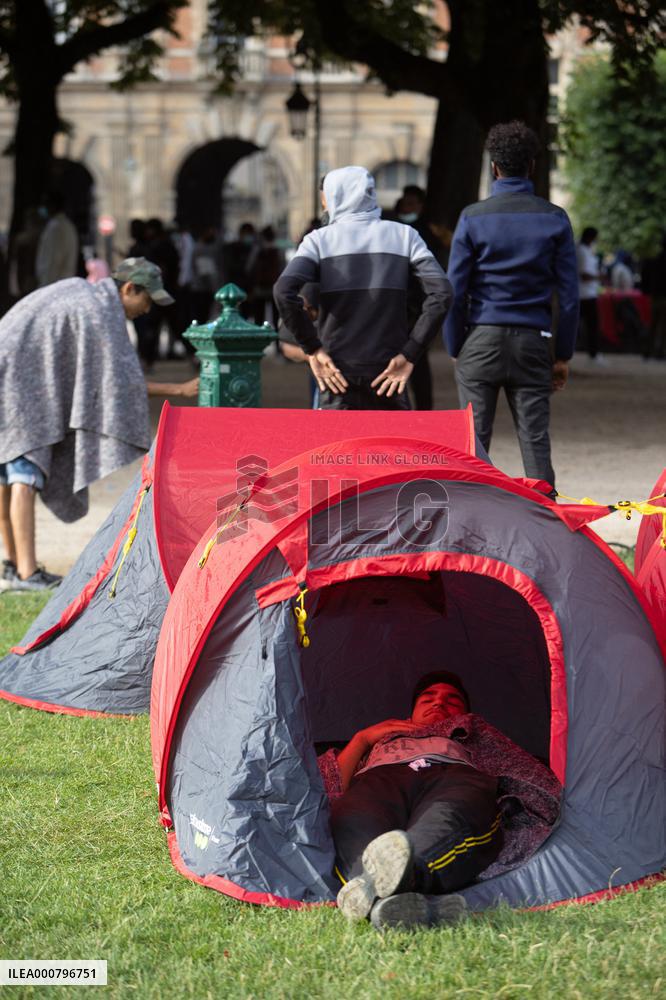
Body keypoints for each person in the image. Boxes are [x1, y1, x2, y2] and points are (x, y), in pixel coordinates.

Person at [0, 258, 198, 592]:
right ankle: (27, 573)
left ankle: (13, 564)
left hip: (11, 374)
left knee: (8, 472)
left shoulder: (82, 291)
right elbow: (117, 382)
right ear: (129, 288)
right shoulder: (100, 312)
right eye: (146, 300)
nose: (147, 310)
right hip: (23, 389)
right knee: (25, 474)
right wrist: (179, 389)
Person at [319, 671, 561, 931]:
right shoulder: (380, 739)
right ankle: (413, 905)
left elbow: (528, 776)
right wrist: (363, 738)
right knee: (353, 818)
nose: (439, 703)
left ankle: (381, 893)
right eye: (428, 698)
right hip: (379, 778)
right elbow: (330, 786)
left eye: (453, 700)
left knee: (452, 814)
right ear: (410, 713)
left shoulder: (477, 733)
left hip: (452, 774)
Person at [444, 121, 579, 489]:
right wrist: (562, 354)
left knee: (473, 446)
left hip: (481, 338)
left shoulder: (472, 217)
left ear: (494, 167)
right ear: (532, 166)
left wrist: (456, 345)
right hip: (533, 339)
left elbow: (454, 290)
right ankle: (547, 529)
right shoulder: (554, 218)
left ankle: (468, 530)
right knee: (535, 443)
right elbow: (568, 297)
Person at [274, 165, 452, 410]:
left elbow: (283, 291)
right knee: (389, 448)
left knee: (337, 448)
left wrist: (312, 348)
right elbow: (442, 293)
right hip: (388, 370)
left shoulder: (318, 240)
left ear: (334, 196)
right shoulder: (405, 236)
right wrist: (412, 351)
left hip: (336, 371)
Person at [35, 191, 79, 288]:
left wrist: (44, 289)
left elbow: (52, 262)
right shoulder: (67, 225)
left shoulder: (56, 227)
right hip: (63, 284)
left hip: (53, 286)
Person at [576, 226, 604, 363]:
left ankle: (593, 353)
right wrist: (598, 277)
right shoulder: (581, 251)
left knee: (586, 325)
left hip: (587, 293)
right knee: (592, 325)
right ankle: (593, 354)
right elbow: (584, 275)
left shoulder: (585, 250)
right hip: (585, 295)